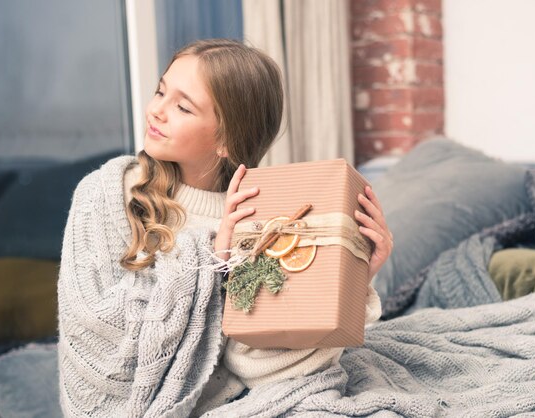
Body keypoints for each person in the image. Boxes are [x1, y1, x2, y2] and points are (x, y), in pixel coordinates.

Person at [57, 39, 393, 417]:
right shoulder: (106, 192)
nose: (157, 111)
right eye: (161, 91)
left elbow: (260, 366)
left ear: (225, 140)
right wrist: (212, 257)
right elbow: (96, 333)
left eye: (183, 106)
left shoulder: (257, 218)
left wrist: (352, 278)